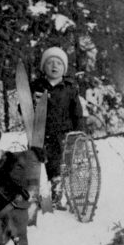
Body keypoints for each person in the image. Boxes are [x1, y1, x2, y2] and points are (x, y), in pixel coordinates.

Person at [31, 47, 83, 209]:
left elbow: (77, 113)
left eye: (59, 63)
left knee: (59, 166)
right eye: (50, 62)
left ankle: (58, 194)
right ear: (43, 67)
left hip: (64, 134)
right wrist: (32, 102)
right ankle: (36, 194)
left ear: (64, 68)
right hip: (41, 134)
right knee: (39, 164)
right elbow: (23, 110)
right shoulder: (37, 86)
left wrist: (79, 132)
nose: (55, 66)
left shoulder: (70, 88)